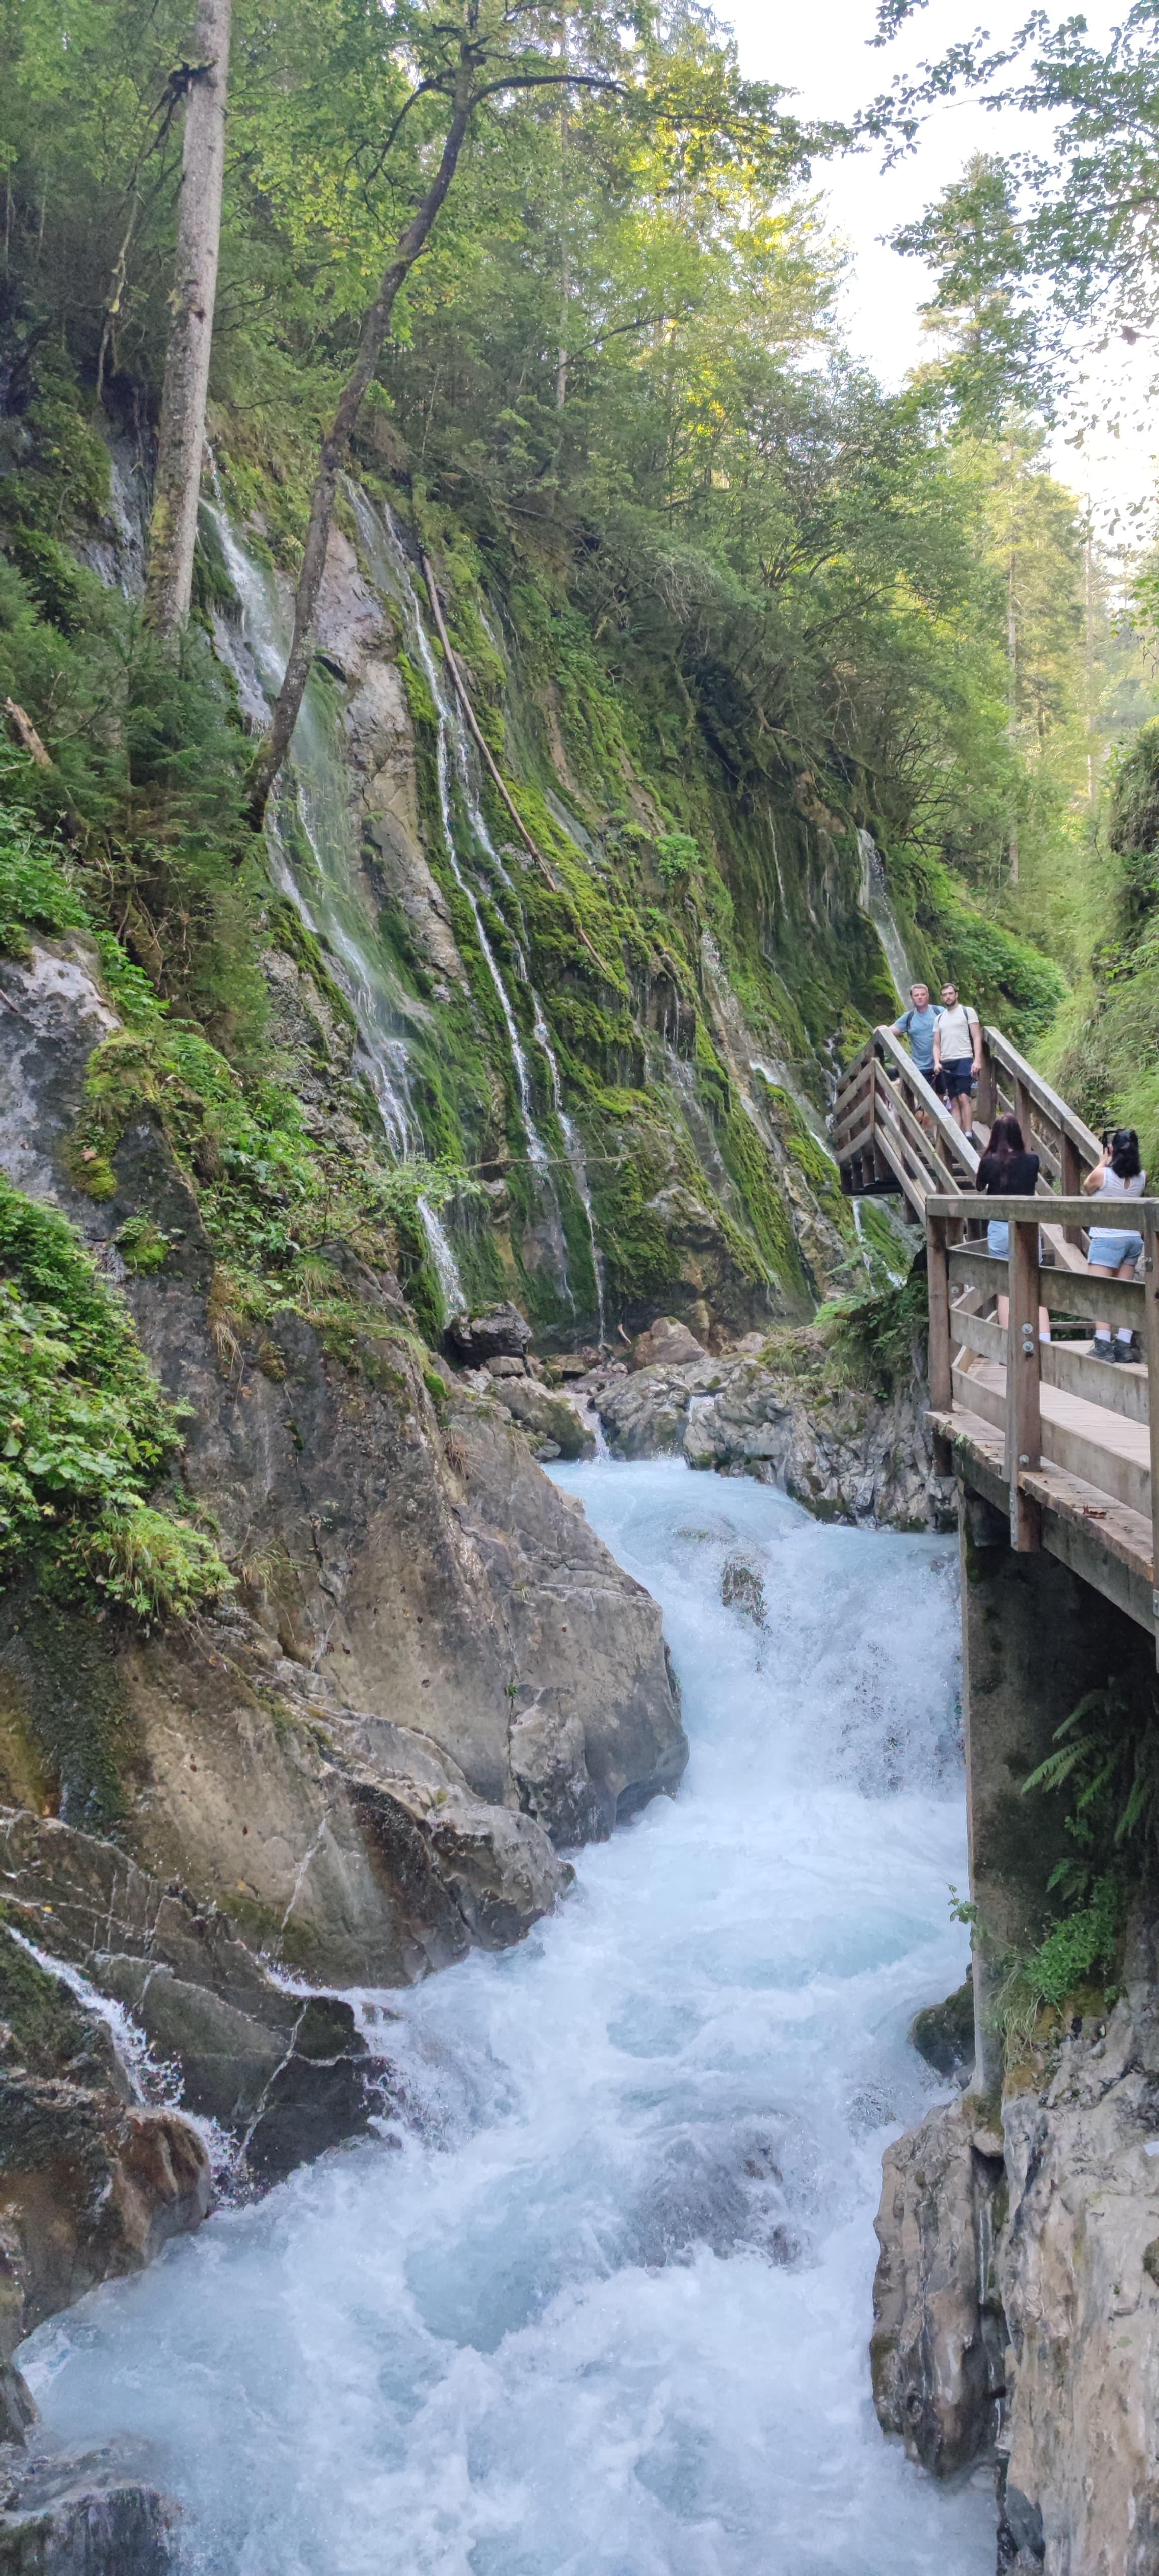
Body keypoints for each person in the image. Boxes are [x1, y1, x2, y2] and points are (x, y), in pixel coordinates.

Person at [976, 1113, 1049, 1341]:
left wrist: (988, 1157)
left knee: (1005, 1288)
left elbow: (979, 1187)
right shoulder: (1033, 1161)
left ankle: (1010, 1345)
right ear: (1018, 1134)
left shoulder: (989, 1162)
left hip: (1000, 1227)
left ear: (995, 1136)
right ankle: (1045, 1342)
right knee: (1033, 1285)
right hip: (1027, 1227)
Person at [1082, 1128, 1146, 1363]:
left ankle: (1103, 1345)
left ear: (1113, 1150)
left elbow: (1087, 1187)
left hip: (1106, 1238)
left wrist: (1102, 1163)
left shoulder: (1103, 1175)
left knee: (1099, 1293)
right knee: (1125, 1294)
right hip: (1132, 1240)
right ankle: (1123, 1344)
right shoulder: (1143, 1177)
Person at [931, 983, 983, 1136]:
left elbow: (977, 1037)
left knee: (964, 1098)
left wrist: (978, 1060)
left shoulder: (967, 1012)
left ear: (956, 995)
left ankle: (968, 1134)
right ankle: (957, 1138)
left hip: (964, 1058)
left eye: (950, 993)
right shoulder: (939, 1018)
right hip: (947, 1062)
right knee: (953, 1101)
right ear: (942, 997)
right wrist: (936, 1062)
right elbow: (936, 1045)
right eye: (945, 995)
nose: (948, 997)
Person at [880, 983, 942, 1088]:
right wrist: (880, 1030)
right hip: (921, 1067)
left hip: (942, 1062)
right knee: (925, 1098)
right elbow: (891, 1031)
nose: (920, 997)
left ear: (928, 996)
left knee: (943, 1095)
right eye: (916, 995)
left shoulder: (939, 1012)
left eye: (923, 994)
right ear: (911, 998)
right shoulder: (909, 1017)